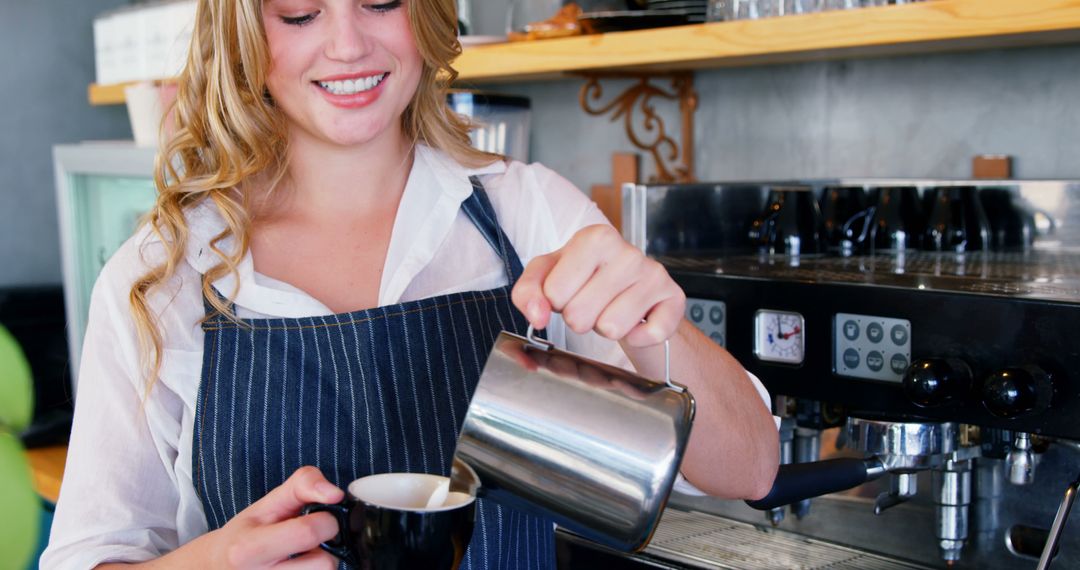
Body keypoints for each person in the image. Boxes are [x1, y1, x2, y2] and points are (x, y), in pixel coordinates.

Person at [42, 0, 779, 568]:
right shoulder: (163, 276)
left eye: (381, 2)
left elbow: (749, 468)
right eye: (300, 13)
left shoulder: (530, 216)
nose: (347, 44)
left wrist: (658, 330)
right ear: (243, 33)